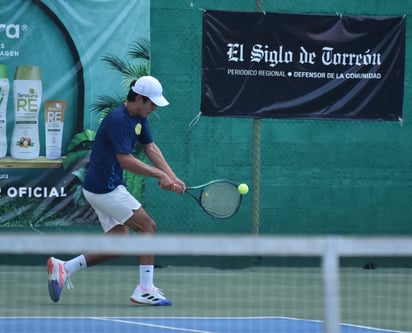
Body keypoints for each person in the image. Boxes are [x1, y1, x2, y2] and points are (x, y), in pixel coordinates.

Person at [47, 76, 186, 306]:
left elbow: (151, 147)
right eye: (152, 104)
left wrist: (171, 176)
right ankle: (145, 288)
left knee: (120, 242)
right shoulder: (118, 120)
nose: (154, 109)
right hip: (104, 189)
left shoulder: (140, 116)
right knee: (148, 226)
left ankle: (64, 268)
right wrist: (159, 175)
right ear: (139, 99)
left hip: (105, 187)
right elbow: (126, 160)